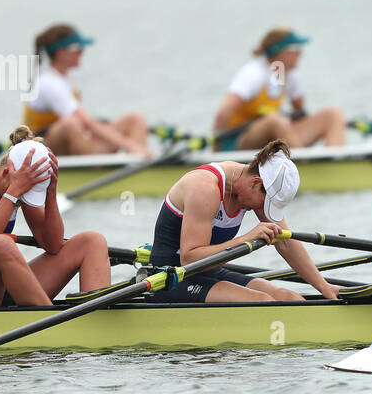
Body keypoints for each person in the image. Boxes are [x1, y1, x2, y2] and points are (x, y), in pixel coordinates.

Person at [0, 125, 111, 307]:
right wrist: (15, 192)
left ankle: (95, 321)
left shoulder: (19, 184)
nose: (23, 198)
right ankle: (53, 323)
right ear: (8, 172)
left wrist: (50, 194)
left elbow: (53, 245)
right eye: (24, 192)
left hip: (1, 287)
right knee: (1, 244)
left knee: (92, 241)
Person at [146, 139, 343, 303]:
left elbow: (284, 242)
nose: (262, 211)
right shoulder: (205, 189)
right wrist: (246, 239)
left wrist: (323, 285)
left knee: (291, 298)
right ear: (255, 183)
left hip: (209, 274)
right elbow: (189, 259)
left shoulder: (253, 185)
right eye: (266, 204)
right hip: (170, 279)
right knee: (263, 302)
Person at [24, 24, 151, 156]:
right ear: (61, 53)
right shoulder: (48, 82)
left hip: (70, 138)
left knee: (135, 119)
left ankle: (139, 160)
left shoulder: (69, 75)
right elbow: (88, 123)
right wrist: (129, 145)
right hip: (39, 148)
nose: (82, 53)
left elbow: (86, 123)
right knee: (71, 124)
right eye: (78, 49)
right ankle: (125, 155)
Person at [211, 28, 346, 150]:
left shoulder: (290, 76)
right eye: (295, 49)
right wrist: (216, 153)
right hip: (238, 139)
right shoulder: (253, 73)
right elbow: (222, 114)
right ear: (279, 52)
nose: (300, 54)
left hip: (274, 137)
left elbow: (300, 114)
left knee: (333, 114)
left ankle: (336, 162)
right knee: (275, 121)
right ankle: (300, 165)